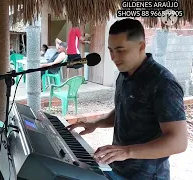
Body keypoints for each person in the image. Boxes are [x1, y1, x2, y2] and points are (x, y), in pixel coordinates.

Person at [67, 18, 187, 180]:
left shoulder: (162, 82)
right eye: (111, 50)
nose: (114, 57)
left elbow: (178, 142)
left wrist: (126, 151)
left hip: (146, 175)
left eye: (121, 50)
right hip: (116, 167)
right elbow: (125, 110)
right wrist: (95, 123)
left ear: (141, 46)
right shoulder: (125, 74)